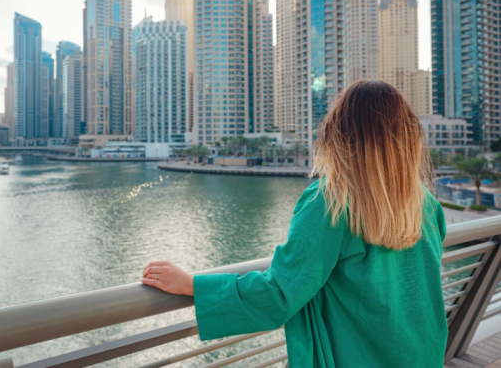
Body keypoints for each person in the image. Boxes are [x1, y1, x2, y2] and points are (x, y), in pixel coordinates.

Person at [141, 80, 448, 368]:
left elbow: (279, 293)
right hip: (420, 353)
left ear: (338, 136)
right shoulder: (427, 206)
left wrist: (192, 284)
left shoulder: (330, 203)